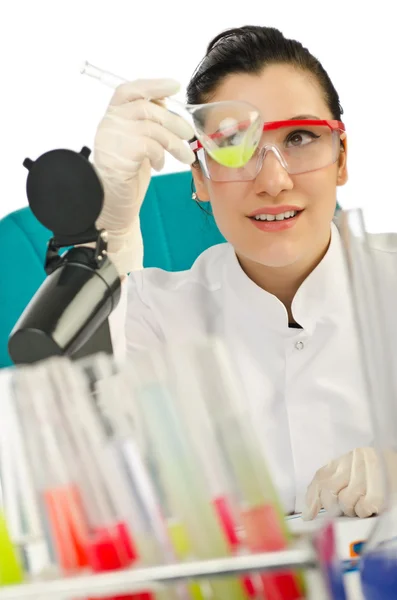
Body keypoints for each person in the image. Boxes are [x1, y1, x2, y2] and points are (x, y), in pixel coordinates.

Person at [93, 25, 397, 519]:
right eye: (235, 143)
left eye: (300, 138)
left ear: (343, 159)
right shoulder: (154, 314)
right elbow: (65, 441)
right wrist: (108, 233)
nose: (274, 181)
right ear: (200, 178)